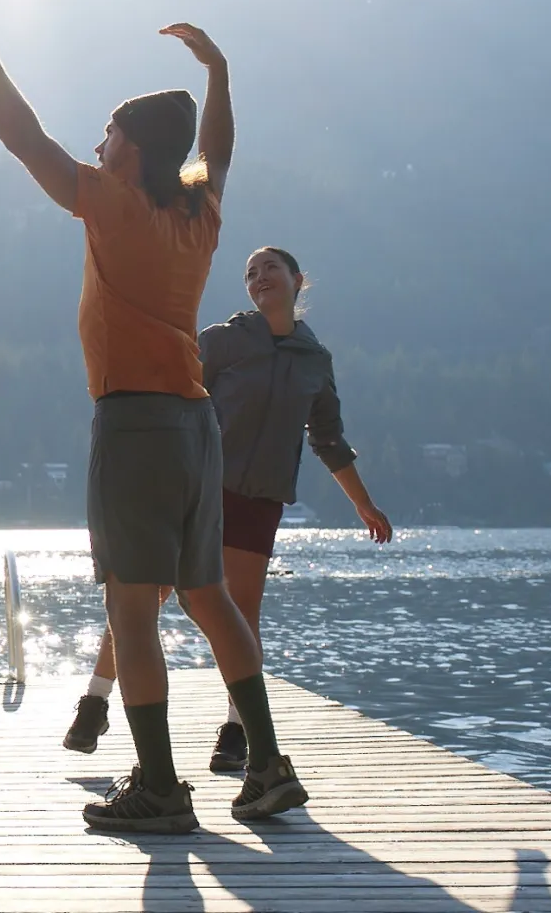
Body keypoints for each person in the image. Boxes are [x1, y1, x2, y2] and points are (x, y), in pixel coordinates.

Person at [0, 0, 306, 831]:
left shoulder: (112, 200)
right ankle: (269, 764)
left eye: (107, 135)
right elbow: (214, 151)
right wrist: (218, 73)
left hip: (135, 426)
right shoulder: (198, 215)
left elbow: (17, 129)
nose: (96, 145)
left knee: (130, 610)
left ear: (130, 151)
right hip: (195, 426)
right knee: (209, 597)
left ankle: (158, 786)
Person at [65, 246, 394, 770]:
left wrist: (364, 505)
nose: (260, 277)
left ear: (296, 280)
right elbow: (170, 393)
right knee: (146, 595)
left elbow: (328, 440)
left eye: (271, 269)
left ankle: (237, 732)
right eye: (250, 273)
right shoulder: (223, 341)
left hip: (259, 498)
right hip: (196, 484)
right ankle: (96, 699)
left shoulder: (315, 360)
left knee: (243, 612)